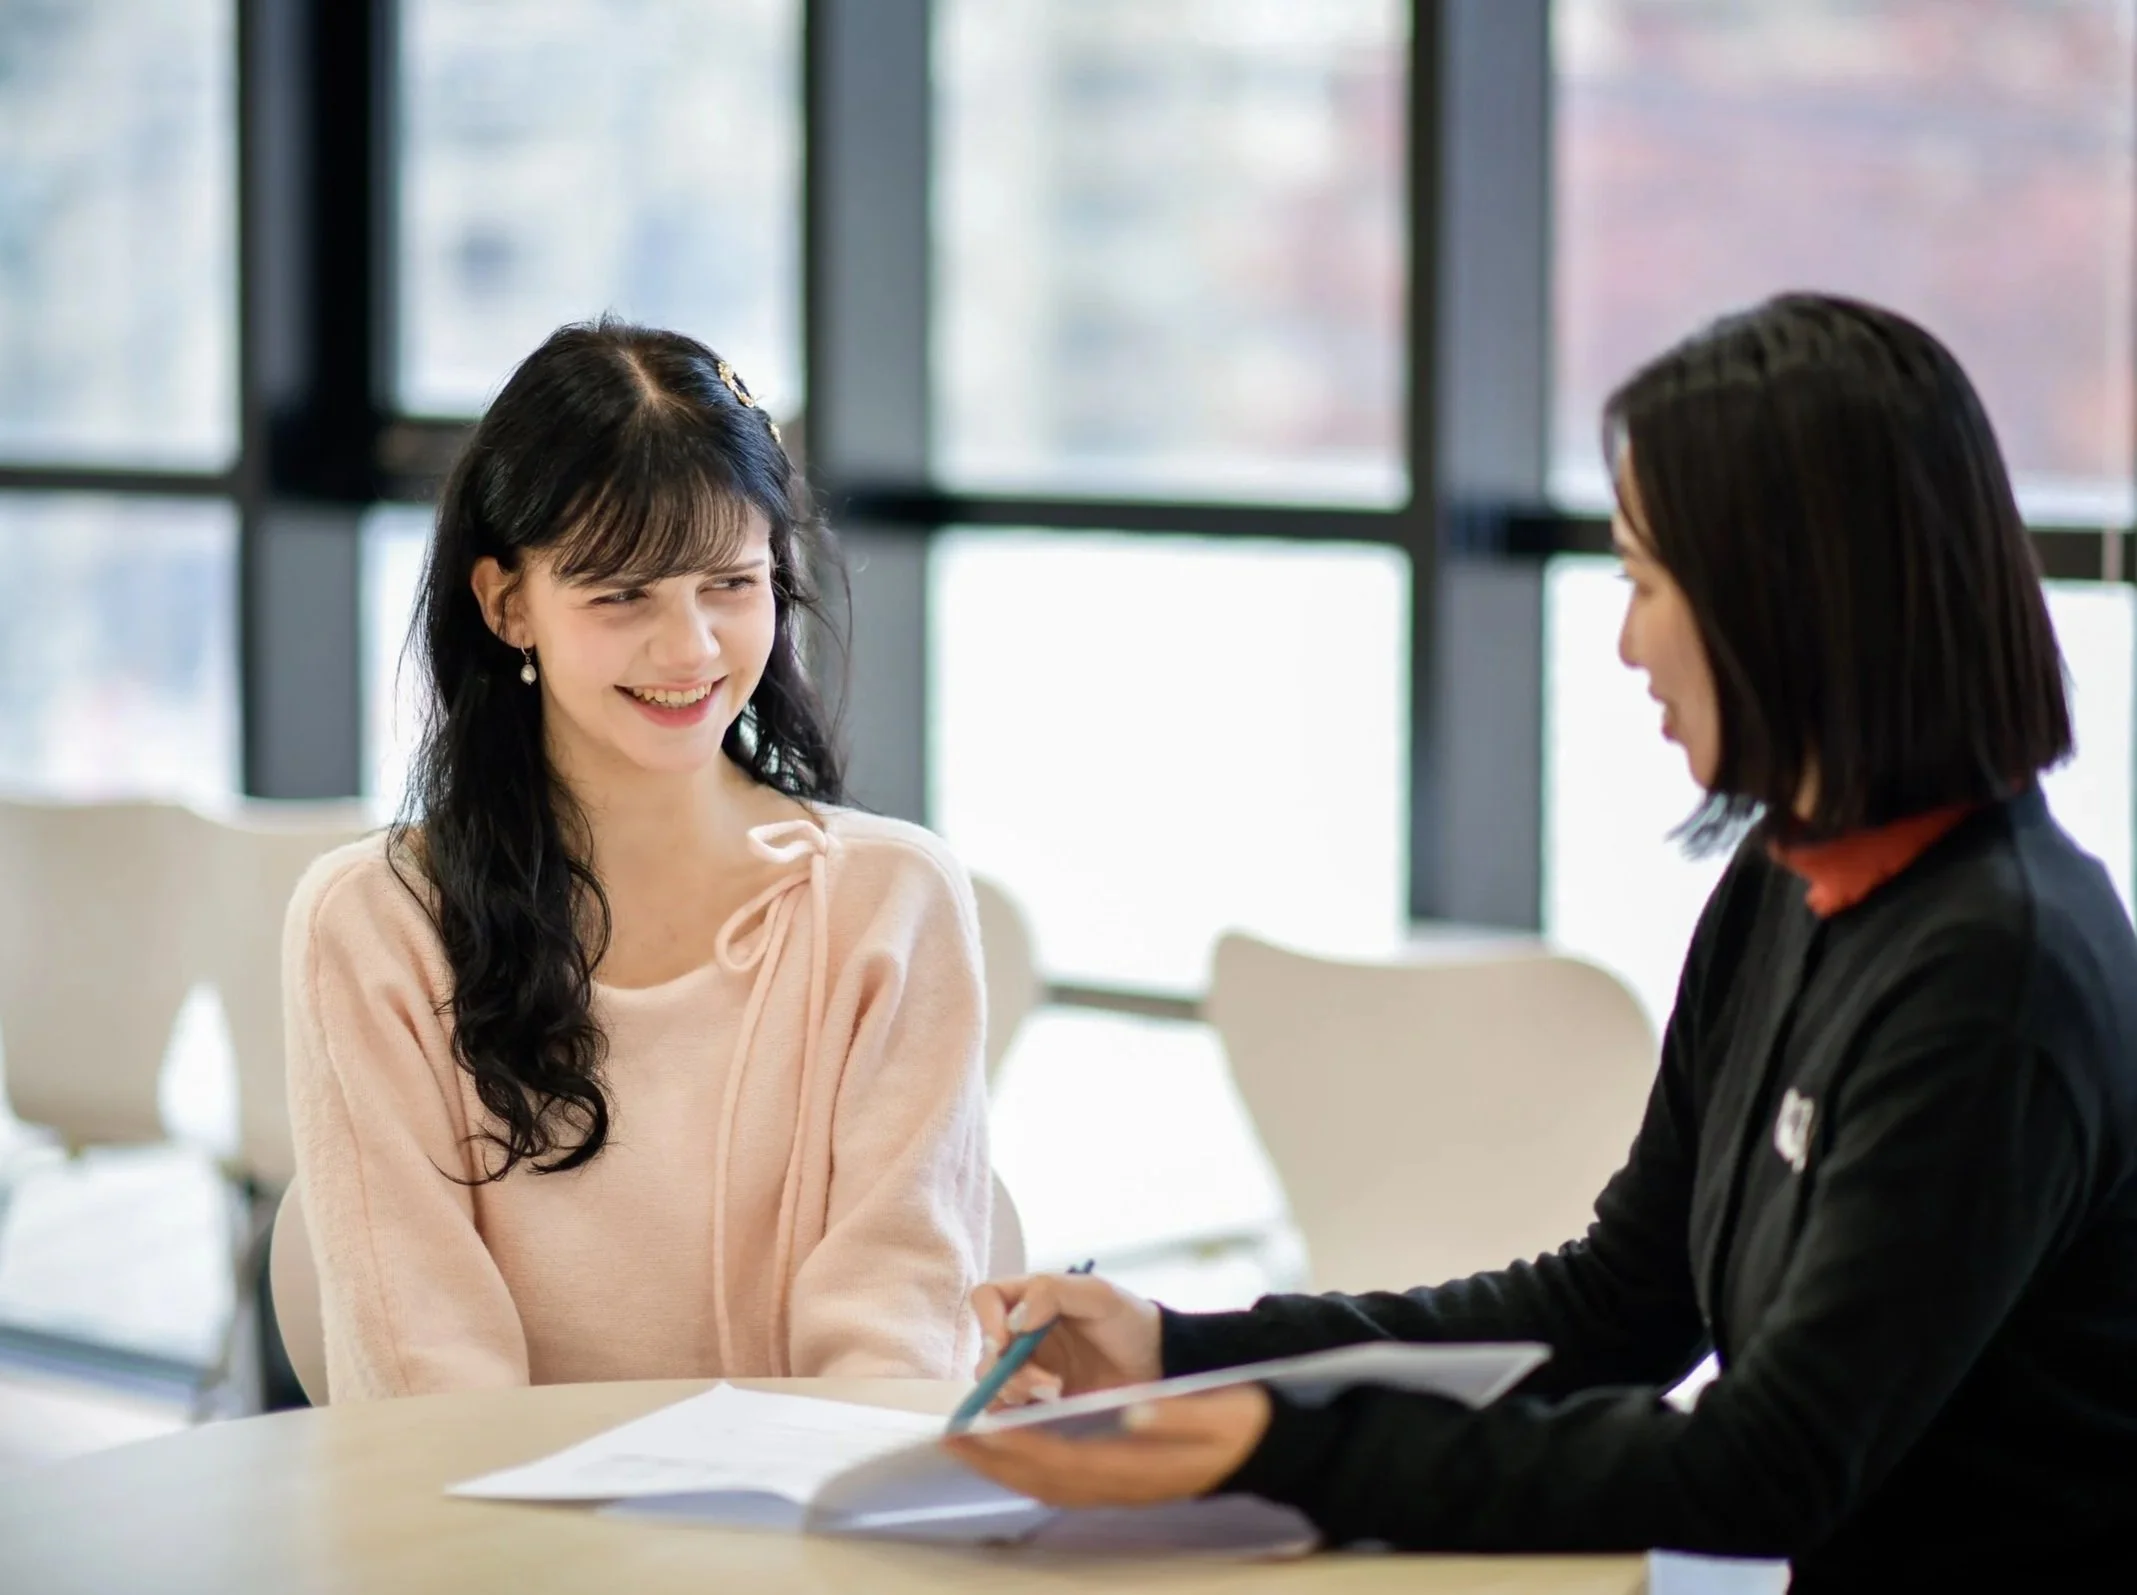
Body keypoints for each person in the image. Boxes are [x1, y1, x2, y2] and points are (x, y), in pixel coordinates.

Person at [948, 295, 2137, 1590]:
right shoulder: (1789, 878)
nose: (1626, 645)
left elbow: (1769, 1460)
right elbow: (1619, 1300)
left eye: (1646, 582)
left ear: (1785, 599)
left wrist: (1283, 1449)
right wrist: (1186, 1351)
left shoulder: (1997, 973)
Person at [284, 320, 991, 1399]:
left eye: (728, 583)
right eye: (622, 594)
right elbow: (421, 1364)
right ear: (506, 602)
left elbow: (894, 1338)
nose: (691, 648)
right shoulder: (376, 921)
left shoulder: (891, 900)